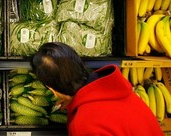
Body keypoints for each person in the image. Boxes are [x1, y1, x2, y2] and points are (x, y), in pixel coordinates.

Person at [31, 42, 164, 136]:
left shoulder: (85, 125)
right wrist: (74, 103)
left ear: (51, 89)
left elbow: (92, 124)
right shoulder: (118, 93)